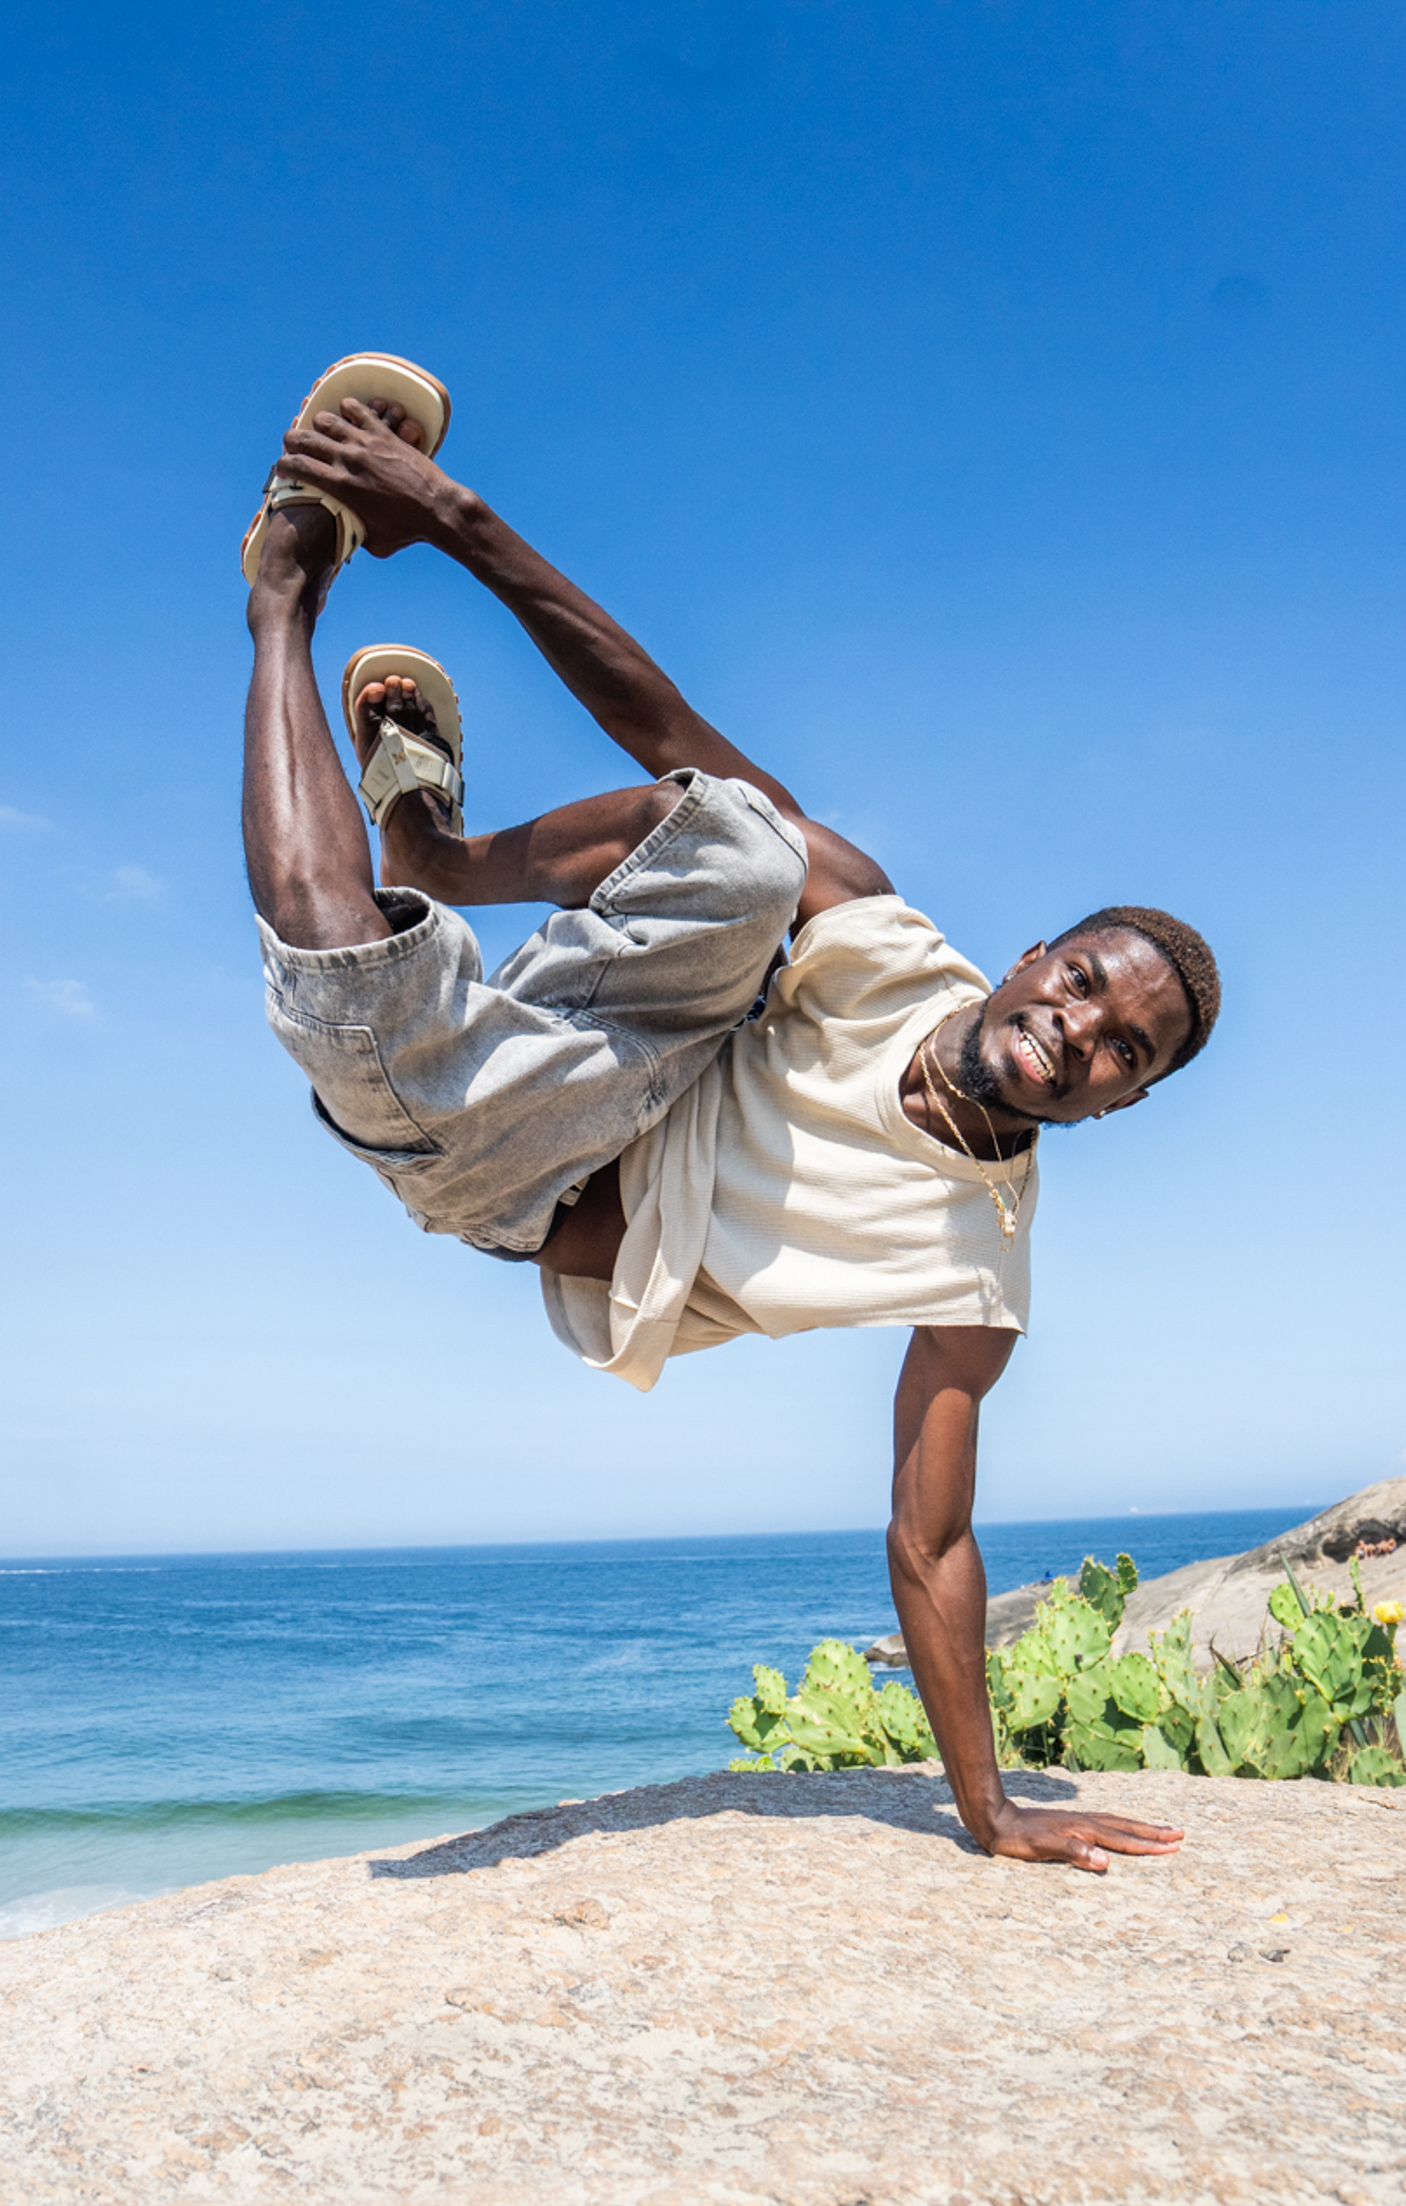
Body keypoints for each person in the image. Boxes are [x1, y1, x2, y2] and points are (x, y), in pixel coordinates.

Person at [243, 366, 1220, 1875]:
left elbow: (934, 1539)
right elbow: (675, 743)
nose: (1079, 1031)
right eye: (1087, 983)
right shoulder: (902, 945)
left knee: (341, 967)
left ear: (1125, 1101)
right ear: (1033, 952)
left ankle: (280, 599)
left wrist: (989, 1807)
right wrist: (453, 517)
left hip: (519, 1163)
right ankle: (436, 843)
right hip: (625, 1021)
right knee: (756, 830)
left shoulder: (978, 1271)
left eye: (1120, 1052)